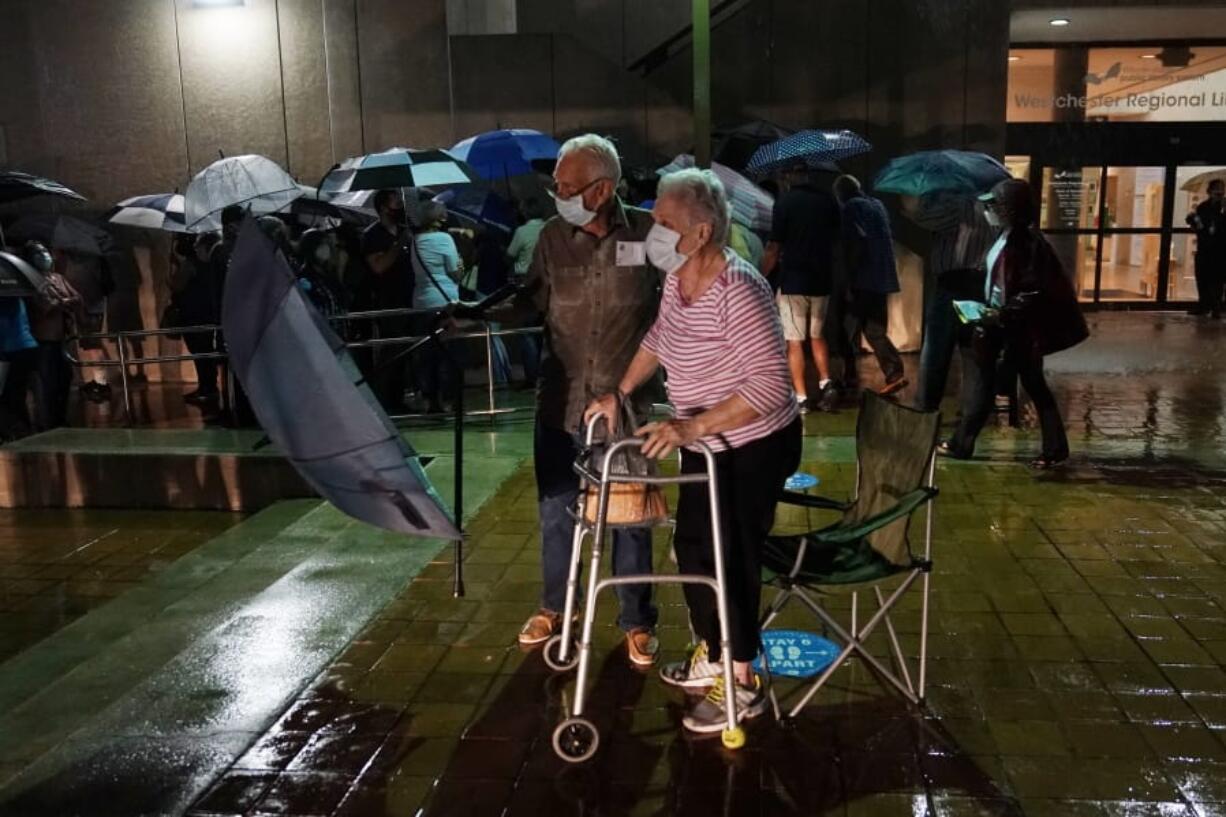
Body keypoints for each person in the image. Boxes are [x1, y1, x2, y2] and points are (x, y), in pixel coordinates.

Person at [586, 168, 800, 733]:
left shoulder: (739, 288)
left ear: (701, 232)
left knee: (730, 555)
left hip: (752, 445)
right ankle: (715, 648)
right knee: (691, 549)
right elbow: (658, 340)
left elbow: (769, 387)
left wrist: (690, 427)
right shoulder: (680, 280)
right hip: (704, 442)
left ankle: (742, 678)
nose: (652, 229)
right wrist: (620, 392)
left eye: (663, 222)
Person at [471, 134, 661, 666]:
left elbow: (685, 300)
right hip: (561, 403)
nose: (557, 192)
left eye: (568, 185)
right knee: (556, 511)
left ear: (602, 189)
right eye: (556, 183)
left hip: (626, 408)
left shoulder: (648, 235)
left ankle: (636, 620)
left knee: (630, 517)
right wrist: (479, 313)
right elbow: (530, 303)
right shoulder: (552, 239)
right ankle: (556, 608)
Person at [944, 179, 1088, 469]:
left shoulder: (1027, 243)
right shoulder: (1006, 236)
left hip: (1016, 327)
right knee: (998, 382)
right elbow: (1002, 278)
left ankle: (965, 443)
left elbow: (1032, 290)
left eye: (993, 206)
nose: (988, 211)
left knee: (1019, 384)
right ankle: (964, 442)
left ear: (1010, 209)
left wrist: (1003, 314)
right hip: (1002, 321)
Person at [761, 164, 841, 412]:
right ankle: (826, 382)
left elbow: (774, 247)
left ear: (787, 177)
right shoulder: (828, 200)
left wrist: (760, 276)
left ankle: (802, 398)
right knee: (817, 335)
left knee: (794, 341)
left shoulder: (784, 203)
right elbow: (837, 239)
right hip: (822, 279)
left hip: (794, 280)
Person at [908, 192, 998, 412]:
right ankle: (972, 410)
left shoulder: (958, 203)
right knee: (973, 351)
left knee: (936, 351)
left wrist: (915, 202)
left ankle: (926, 409)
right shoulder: (990, 207)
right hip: (979, 283)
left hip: (952, 283)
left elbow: (922, 219)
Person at [832, 175, 906, 394]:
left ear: (840, 194)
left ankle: (849, 375)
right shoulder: (878, 205)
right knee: (875, 331)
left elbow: (856, 242)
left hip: (862, 279)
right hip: (882, 278)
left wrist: (848, 278)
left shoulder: (850, 209)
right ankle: (894, 373)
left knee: (842, 329)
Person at [362, 190, 415, 412]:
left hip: (409, 297)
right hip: (387, 299)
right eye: (396, 202)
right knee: (390, 352)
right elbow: (379, 266)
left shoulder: (405, 230)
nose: (401, 206)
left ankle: (399, 399)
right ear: (384, 207)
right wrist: (400, 244)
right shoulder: (372, 235)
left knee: (406, 353)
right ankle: (384, 403)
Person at [409, 201, 463, 414]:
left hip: (421, 302)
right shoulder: (444, 238)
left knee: (427, 355)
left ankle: (431, 399)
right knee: (448, 354)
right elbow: (455, 273)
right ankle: (448, 399)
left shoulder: (414, 241)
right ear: (439, 218)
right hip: (445, 302)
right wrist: (461, 262)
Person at [171, 232, 224, 411]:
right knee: (206, 351)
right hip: (208, 312)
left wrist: (173, 272)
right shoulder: (213, 263)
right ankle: (208, 386)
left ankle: (207, 388)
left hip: (193, 314)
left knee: (199, 352)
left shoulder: (190, 263)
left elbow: (177, 285)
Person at [505, 199, 549, 387]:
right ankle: (548, 375)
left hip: (525, 283)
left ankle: (533, 377)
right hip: (548, 282)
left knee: (526, 332)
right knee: (545, 331)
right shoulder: (549, 228)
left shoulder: (521, 231)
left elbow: (509, 255)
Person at [1187, 179, 1226, 318]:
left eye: (1222, 190)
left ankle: (1216, 308)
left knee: (1217, 280)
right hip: (1204, 248)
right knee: (1202, 278)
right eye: (1216, 190)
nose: (1219, 193)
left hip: (1220, 250)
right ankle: (1203, 306)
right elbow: (1199, 226)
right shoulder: (1203, 207)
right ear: (1209, 192)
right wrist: (1193, 220)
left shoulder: (1224, 207)